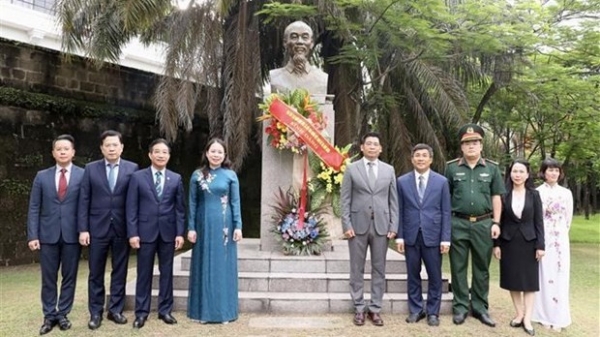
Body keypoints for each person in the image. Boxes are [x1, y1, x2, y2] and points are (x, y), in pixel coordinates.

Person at [444, 124, 505, 327]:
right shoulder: (451, 168)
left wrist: (496, 222)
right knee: (458, 267)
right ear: (461, 147)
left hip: (483, 224)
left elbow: (497, 197)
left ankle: (480, 307)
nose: (471, 146)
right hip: (458, 223)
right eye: (467, 143)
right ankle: (460, 307)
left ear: (481, 145)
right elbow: (446, 197)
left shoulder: (492, 169)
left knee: (482, 268)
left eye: (475, 143)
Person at [78, 130, 139, 330]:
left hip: (122, 228)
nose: (112, 148)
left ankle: (115, 310)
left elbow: (134, 203)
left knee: (119, 270)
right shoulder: (90, 169)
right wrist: (83, 229)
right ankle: (96, 312)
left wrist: (133, 230)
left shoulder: (132, 168)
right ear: (102, 148)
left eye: (115, 145)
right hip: (97, 228)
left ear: (122, 147)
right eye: (108, 145)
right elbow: (84, 200)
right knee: (96, 272)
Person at [27, 134, 84, 335]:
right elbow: (34, 207)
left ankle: (63, 314)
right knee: (48, 277)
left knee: (69, 276)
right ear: (53, 153)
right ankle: (49, 315)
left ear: (73, 153)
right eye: (58, 149)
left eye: (66, 149)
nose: (62, 152)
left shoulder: (82, 175)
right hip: (47, 235)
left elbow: (85, 206)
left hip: (72, 235)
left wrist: (84, 230)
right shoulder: (41, 176)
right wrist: (33, 235)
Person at [340, 132, 399, 327]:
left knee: (379, 269)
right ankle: (358, 308)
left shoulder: (389, 170)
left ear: (380, 148)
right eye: (369, 144)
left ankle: (375, 309)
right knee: (356, 268)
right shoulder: (351, 169)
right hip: (357, 227)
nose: (372, 147)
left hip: (382, 226)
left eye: (376, 144)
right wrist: (346, 224)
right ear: (362, 147)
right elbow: (345, 200)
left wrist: (394, 225)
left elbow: (393, 201)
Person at [126, 139, 185, 329]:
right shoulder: (138, 177)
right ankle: (141, 312)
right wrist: (133, 233)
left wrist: (180, 233)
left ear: (169, 156)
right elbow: (131, 207)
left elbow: (180, 209)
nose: (161, 155)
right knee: (144, 273)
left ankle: (165, 310)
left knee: (166, 272)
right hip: (144, 233)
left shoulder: (175, 178)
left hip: (168, 233)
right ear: (150, 155)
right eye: (157, 152)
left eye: (164, 152)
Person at [187, 138, 243, 323]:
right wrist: (191, 228)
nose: (216, 155)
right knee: (204, 264)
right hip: (203, 225)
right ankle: (202, 312)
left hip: (225, 226)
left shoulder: (230, 175)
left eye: (220, 152)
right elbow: (192, 203)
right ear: (206, 153)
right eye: (213, 151)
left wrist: (239, 226)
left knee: (222, 266)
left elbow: (235, 203)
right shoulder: (196, 175)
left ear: (224, 155)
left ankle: (224, 312)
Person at [395, 144, 451, 327]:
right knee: (413, 274)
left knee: (435, 276)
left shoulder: (441, 181)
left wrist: (445, 238)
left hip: (433, 236)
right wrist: (400, 236)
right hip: (410, 235)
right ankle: (416, 310)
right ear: (412, 159)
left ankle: (433, 312)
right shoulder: (402, 181)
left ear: (430, 159)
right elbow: (400, 210)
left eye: (424, 155)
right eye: (417, 155)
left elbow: (445, 211)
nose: (420, 158)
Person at [493, 159, 544, 336]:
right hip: (508, 242)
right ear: (510, 173)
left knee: (529, 283)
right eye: (515, 171)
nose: (518, 175)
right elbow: (498, 221)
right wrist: (497, 244)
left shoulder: (534, 195)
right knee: (513, 280)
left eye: (521, 171)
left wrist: (540, 245)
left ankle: (528, 319)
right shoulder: (503, 194)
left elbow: (539, 222)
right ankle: (519, 314)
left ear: (527, 175)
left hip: (529, 243)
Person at [532, 158, 573, 331]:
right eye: (550, 170)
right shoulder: (537, 192)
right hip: (543, 237)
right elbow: (534, 218)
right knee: (544, 274)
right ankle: (543, 314)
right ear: (543, 172)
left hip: (561, 238)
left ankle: (558, 316)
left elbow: (568, 218)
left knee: (560, 274)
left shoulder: (566, 193)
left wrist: (561, 234)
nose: (553, 173)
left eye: (556, 170)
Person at [269, 20, 328, 96]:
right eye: (294, 37)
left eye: (305, 37)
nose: (300, 41)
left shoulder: (322, 78)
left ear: (311, 43)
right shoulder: (275, 76)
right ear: (285, 43)